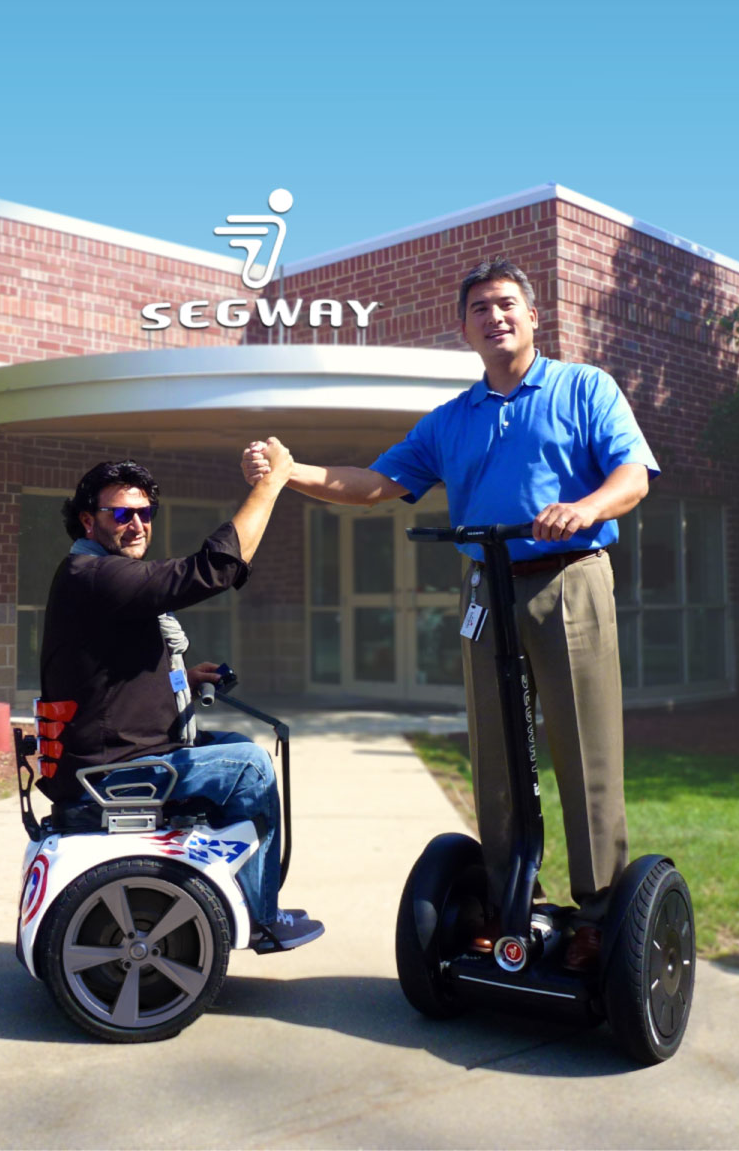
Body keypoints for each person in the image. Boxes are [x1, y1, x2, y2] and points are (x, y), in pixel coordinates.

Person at [242, 256, 658, 970]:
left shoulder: (584, 388)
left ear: (532, 317)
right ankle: (505, 905)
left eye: (506, 305)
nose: (495, 317)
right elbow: (374, 483)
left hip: (570, 580)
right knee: (495, 758)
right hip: (485, 587)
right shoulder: (451, 421)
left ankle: (597, 917)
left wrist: (585, 508)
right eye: (480, 310)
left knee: (583, 751)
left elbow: (632, 475)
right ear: (463, 328)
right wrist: (291, 473)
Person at [39, 443, 323, 952]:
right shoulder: (97, 575)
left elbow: (105, 669)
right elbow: (209, 571)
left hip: (110, 751)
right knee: (251, 766)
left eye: (145, 513)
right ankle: (261, 914)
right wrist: (270, 484)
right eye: (121, 513)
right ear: (88, 521)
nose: (137, 524)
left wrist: (185, 678)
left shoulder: (90, 576)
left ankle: (221, 888)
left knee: (232, 741)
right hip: (113, 768)